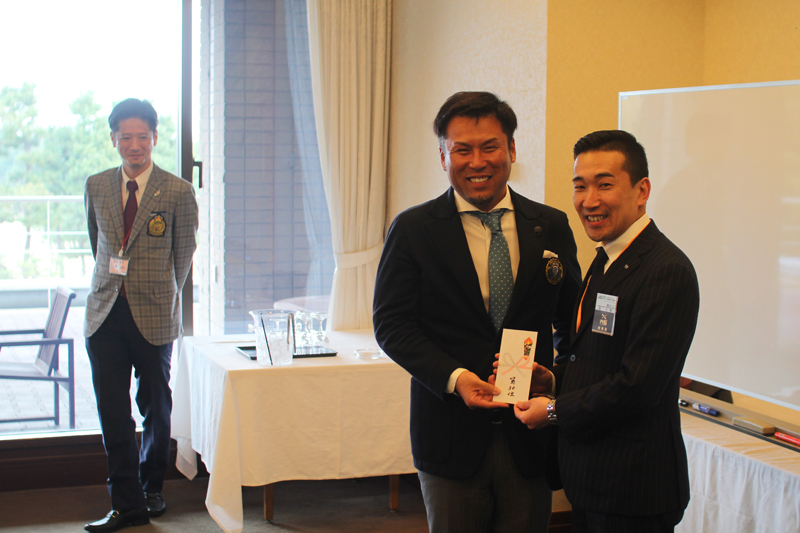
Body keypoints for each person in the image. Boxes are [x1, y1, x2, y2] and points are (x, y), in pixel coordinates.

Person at [373, 91, 580, 533]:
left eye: (490, 147)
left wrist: (557, 379)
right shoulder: (413, 229)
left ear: (512, 150)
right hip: (449, 433)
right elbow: (391, 324)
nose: (477, 162)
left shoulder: (550, 225)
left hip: (530, 432)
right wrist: (455, 378)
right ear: (443, 157)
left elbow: (571, 321)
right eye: (462, 150)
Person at [512, 130, 700, 533]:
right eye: (580, 186)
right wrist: (554, 379)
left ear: (641, 190)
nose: (589, 200)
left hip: (634, 489)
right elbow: (596, 356)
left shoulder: (666, 271)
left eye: (604, 185)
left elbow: (637, 386)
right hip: (593, 481)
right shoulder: (606, 258)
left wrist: (553, 410)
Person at [83, 98, 198, 533]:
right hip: (104, 314)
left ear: (155, 137)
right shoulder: (96, 185)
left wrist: (157, 290)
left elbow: (182, 256)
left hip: (154, 313)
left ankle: (151, 488)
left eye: (143, 137)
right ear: (113, 138)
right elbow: (97, 242)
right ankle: (126, 503)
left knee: (155, 407)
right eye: (126, 137)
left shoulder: (177, 191)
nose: (135, 145)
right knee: (113, 413)